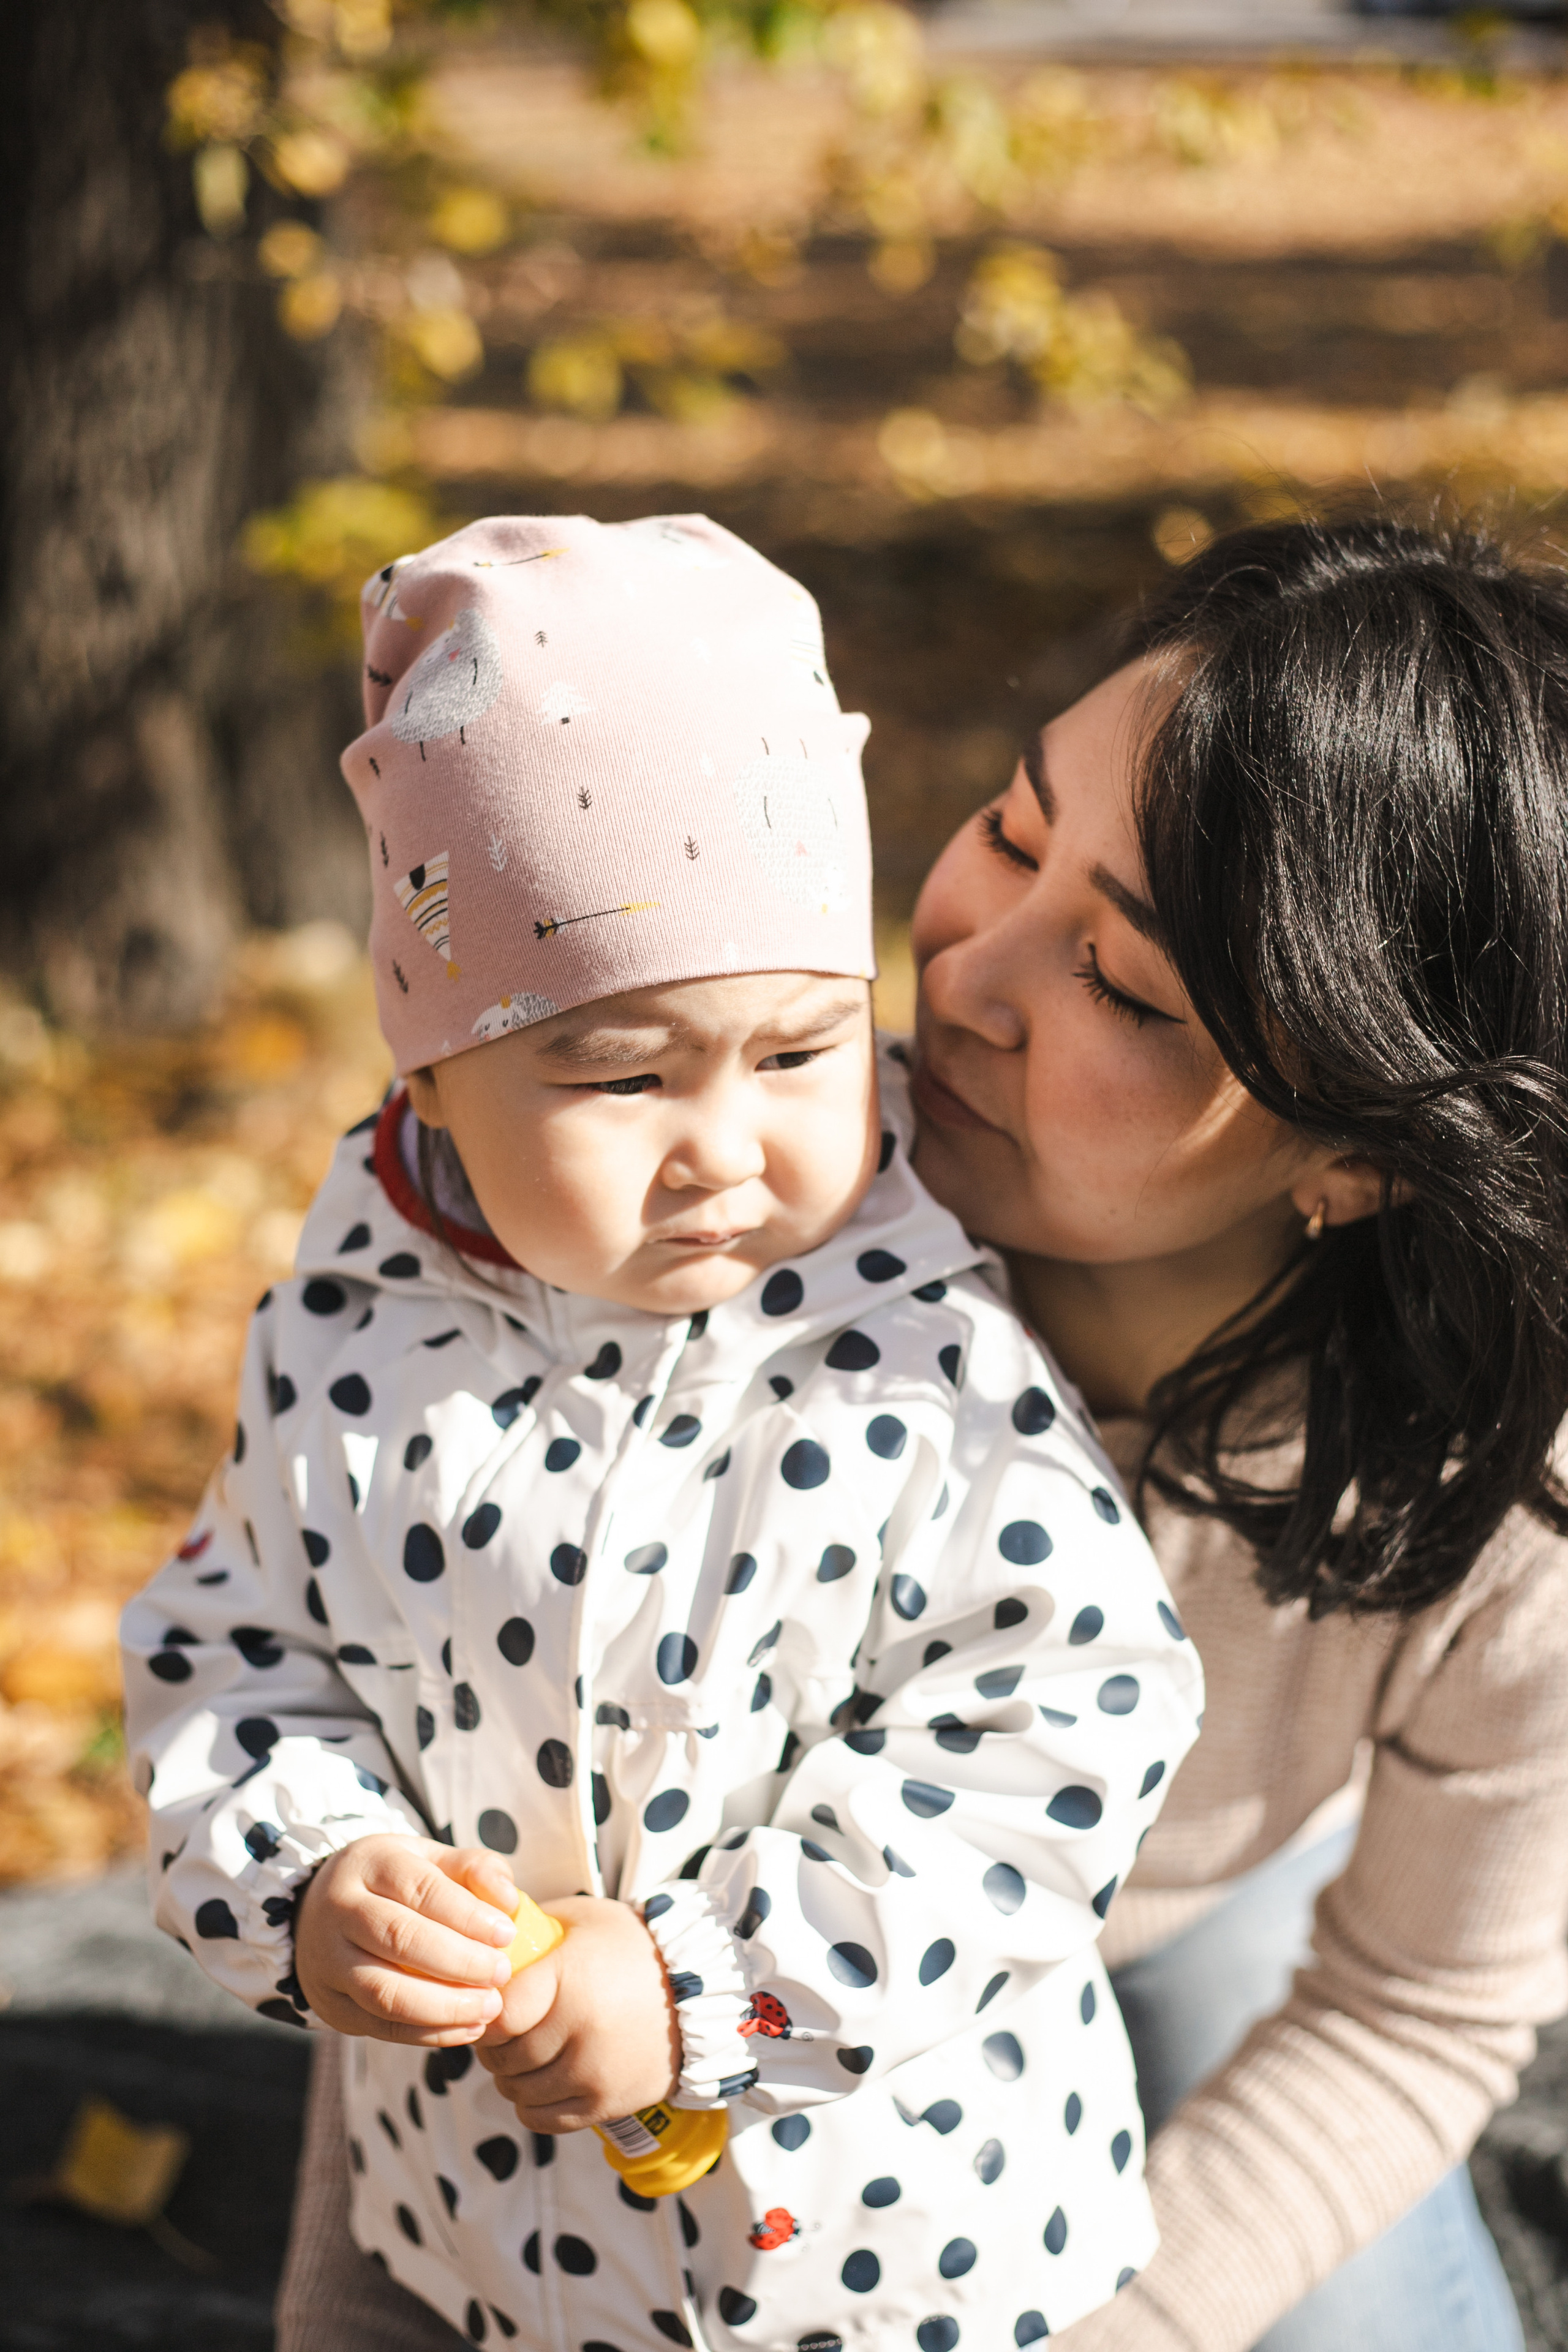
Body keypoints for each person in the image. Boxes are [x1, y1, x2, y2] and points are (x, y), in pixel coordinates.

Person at [120, 512, 1203, 2352]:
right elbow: (230, 1652)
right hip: (485, 2241)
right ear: (433, 1070)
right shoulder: (348, 1326)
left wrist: (711, 1987)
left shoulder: (919, 1354)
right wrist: (306, 1877)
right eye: (622, 1074)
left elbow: (1066, 1728)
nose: (728, 1148)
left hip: (896, 2255)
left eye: (796, 1053)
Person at [907, 514, 1568, 2351]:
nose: (962, 977)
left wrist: (1124, 2329)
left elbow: (1412, 2015)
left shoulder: (1516, 1506)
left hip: (1179, 1907)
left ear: (1360, 1154)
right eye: (1013, 835)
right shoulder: (725, 1225)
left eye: (1122, 987)